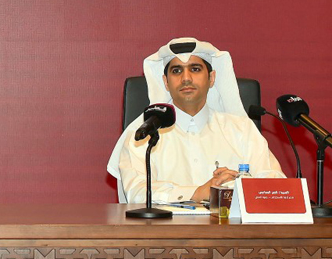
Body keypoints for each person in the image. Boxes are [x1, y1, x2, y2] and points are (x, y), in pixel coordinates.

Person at [108, 37, 284, 204]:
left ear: (212, 78)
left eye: (195, 69)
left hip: (233, 234)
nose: (186, 78)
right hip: (165, 234)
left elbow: (276, 187)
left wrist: (237, 184)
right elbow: (137, 193)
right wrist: (198, 192)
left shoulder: (242, 130)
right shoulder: (142, 135)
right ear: (166, 83)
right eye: (176, 71)